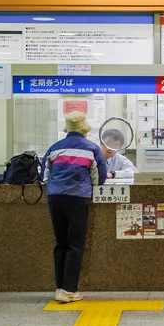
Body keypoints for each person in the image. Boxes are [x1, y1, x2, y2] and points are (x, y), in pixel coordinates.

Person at [41, 111, 107, 303]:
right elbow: (99, 179)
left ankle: (59, 287)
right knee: (75, 245)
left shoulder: (55, 148)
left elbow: (45, 176)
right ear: (85, 130)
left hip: (55, 198)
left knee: (60, 244)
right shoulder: (91, 148)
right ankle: (69, 290)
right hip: (77, 199)